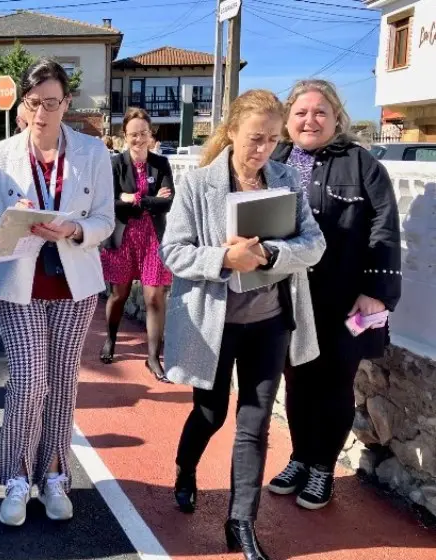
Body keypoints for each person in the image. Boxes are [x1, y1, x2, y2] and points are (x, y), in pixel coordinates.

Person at [160, 90, 325, 560]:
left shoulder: (287, 179)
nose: (264, 150)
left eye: (274, 140)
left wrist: (273, 253)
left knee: (254, 426)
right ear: (231, 132)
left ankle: (242, 522)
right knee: (210, 414)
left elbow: (314, 244)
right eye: (256, 138)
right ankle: (185, 468)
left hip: (270, 322)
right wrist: (224, 258)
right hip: (214, 325)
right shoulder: (197, 184)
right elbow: (172, 252)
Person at [0, 58, 114, 527]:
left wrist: (72, 228)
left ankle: (54, 474)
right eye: (34, 102)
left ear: (67, 103)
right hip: (19, 286)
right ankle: (17, 477)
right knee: (30, 380)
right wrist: (13, 218)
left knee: (61, 383)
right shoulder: (0, 154)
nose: (42, 112)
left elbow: (105, 220)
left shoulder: (94, 152)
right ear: (24, 104)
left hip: (75, 288)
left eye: (51, 103)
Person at [267, 79, 402, 510]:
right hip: (288, 297)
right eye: (301, 113)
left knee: (335, 382)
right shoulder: (274, 160)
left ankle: (323, 466)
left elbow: (385, 226)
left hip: (345, 298)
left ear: (336, 117)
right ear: (287, 120)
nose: (310, 120)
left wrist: (376, 291)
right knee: (296, 381)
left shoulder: (362, 164)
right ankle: (300, 458)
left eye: (319, 112)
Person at [99, 107, 173, 380]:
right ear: (124, 136)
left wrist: (136, 199)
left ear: (150, 134)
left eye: (143, 133)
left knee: (155, 297)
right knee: (119, 295)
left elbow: (168, 201)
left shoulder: (161, 164)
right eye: (133, 134)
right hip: (124, 237)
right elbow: (109, 202)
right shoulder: (115, 164)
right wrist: (128, 199)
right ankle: (110, 338)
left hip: (153, 237)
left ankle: (153, 358)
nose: (139, 139)